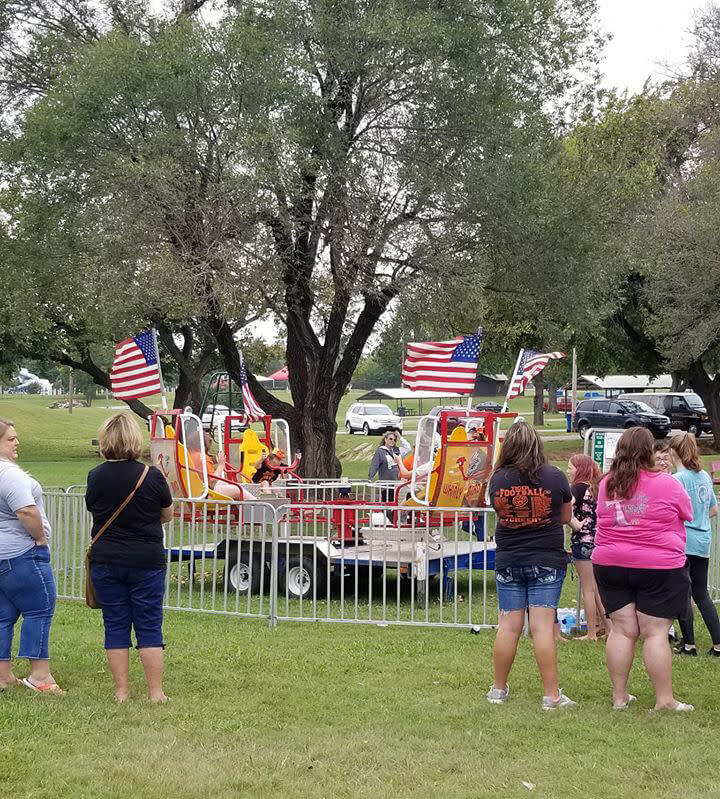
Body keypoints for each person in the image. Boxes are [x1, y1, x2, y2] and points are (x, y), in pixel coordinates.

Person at [592, 427, 694, 711]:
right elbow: (688, 513)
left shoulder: (606, 483)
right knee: (655, 632)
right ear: (649, 451)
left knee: (622, 631)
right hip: (658, 565)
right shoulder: (668, 483)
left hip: (610, 563)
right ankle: (664, 700)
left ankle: (619, 696)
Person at [486, 421, 576, 710]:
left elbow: (499, 511)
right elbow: (565, 516)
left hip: (509, 558)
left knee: (508, 627)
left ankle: (498, 689)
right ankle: (551, 695)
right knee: (541, 628)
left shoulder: (497, 479)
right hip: (546, 559)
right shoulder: (554, 476)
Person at [85, 413, 173, 703]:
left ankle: (122, 691)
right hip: (146, 560)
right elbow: (167, 515)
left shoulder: (95, 476)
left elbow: (94, 509)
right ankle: (156, 692)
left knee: (115, 624)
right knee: (149, 624)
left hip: (106, 560)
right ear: (135, 440)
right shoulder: (152, 476)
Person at [0, 418, 63, 694]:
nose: (17, 442)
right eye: (10, 438)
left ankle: (3, 675)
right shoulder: (9, 475)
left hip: (3, 556)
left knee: (3, 615)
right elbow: (26, 511)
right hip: (21, 553)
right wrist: (39, 539)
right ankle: (40, 676)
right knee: (40, 608)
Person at [668, 432, 720, 657]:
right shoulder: (704, 477)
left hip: (683, 541)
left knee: (681, 593)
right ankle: (718, 644)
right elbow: (714, 509)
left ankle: (689, 644)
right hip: (703, 540)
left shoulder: (677, 480)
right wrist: (699, 521)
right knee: (701, 593)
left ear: (673, 452)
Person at [567, 454, 606, 640]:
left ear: (579, 469)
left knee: (588, 590)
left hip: (582, 541)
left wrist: (573, 522)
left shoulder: (577, 488)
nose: (568, 471)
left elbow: (565, 505)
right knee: (596, 588)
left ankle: (591, 632)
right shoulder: (596, 487)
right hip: (598, 541)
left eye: (571, 467)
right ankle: (609, 627)